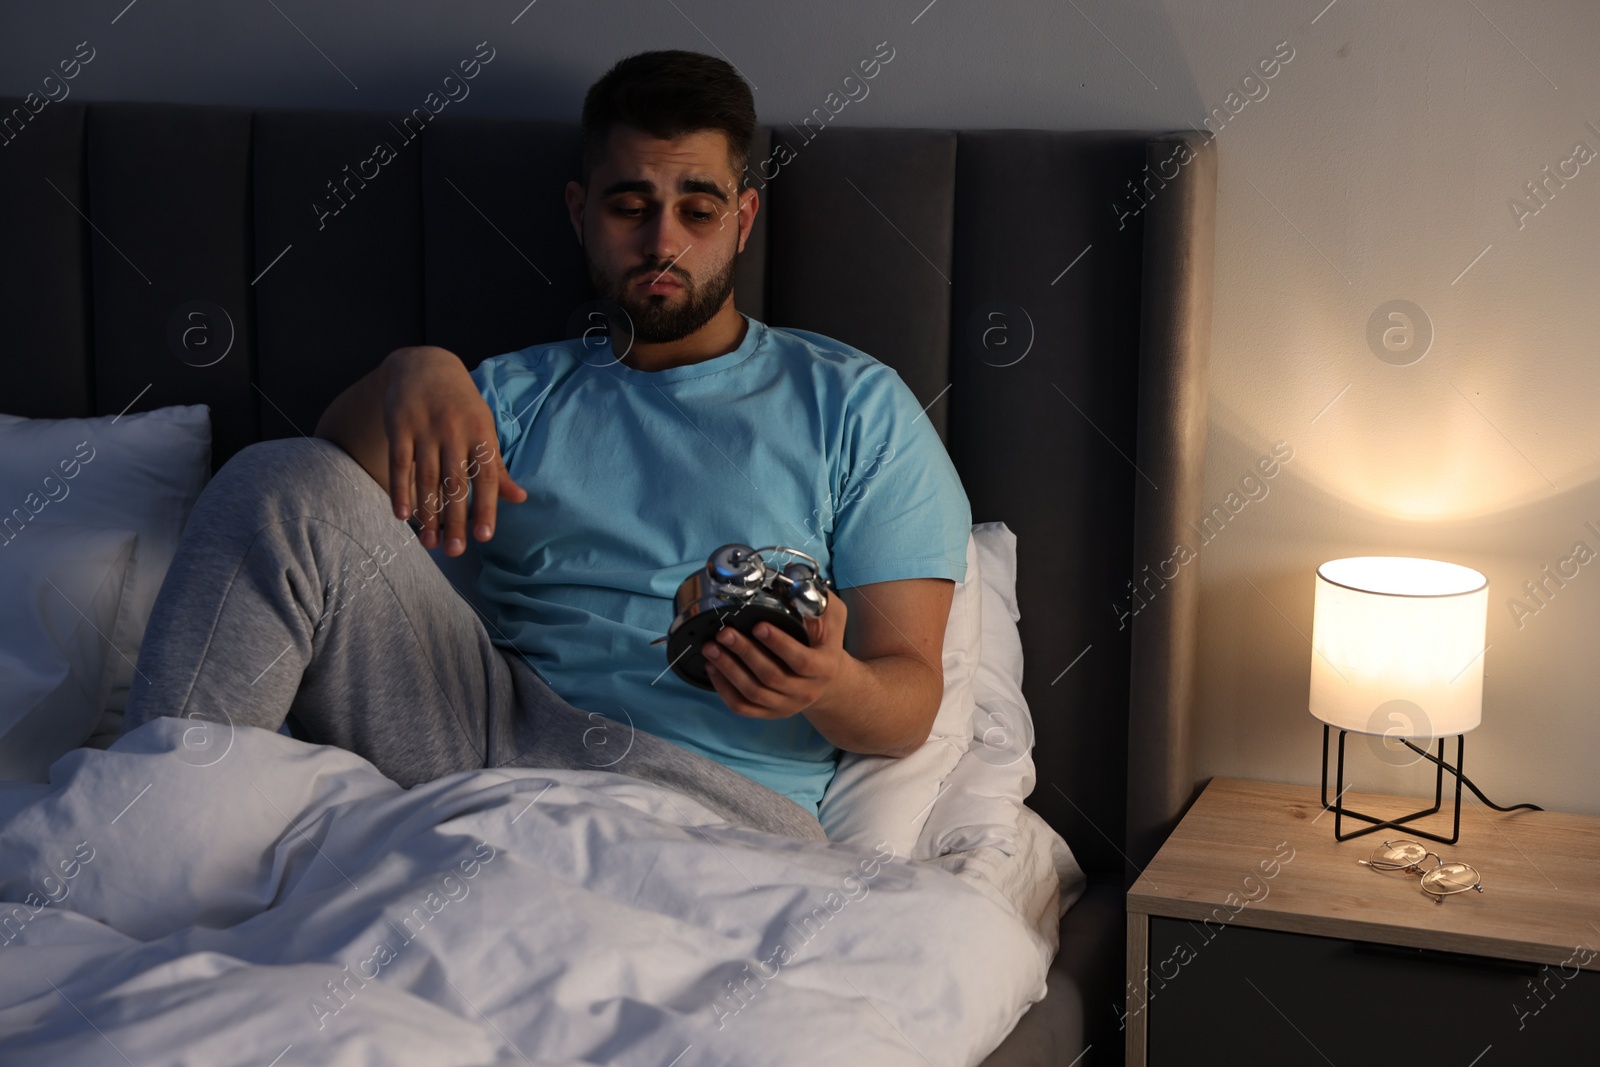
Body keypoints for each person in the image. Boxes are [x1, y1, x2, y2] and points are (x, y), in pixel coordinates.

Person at [124, 50, 970, 840]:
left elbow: (907, 701)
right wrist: (408, 372)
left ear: (743, 219)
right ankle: (148, 839)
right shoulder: (506, 395)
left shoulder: (853, 407)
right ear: (581, 213)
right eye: (630, 206)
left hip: (706, 803)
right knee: (272, 476)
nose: (663, 241)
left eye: (698, 209)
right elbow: (313, 515)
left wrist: (830, 684)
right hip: (488, 743)